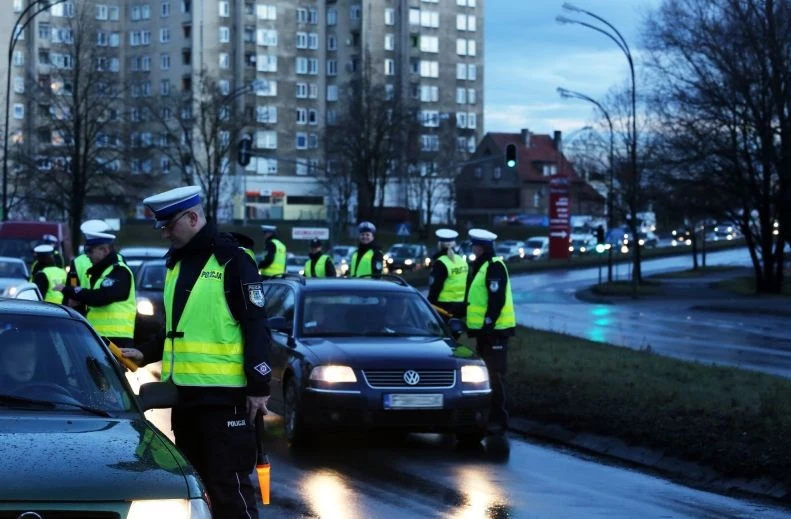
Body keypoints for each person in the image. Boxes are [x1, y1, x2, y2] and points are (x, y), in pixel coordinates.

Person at [122, 185, 272, 519]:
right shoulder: (176, 264)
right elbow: (178, 330)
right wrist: (143, 354)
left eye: (168, 225)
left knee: (228, 490)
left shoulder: (233, 260)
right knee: (194, 492)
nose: (164, 235)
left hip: (224, 400)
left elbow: (256, 325)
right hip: (186, 400)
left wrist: (259, 386)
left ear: (192, 217)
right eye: (160, 227)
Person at [465, 228, 515, 442]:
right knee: (487, 376)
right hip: (485, 333)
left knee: (495, 377)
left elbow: (496, 299)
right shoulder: (481, 266)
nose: (472, 249)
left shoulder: (493, 267)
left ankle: (498, 421)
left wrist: (488, 323)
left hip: (495, 332)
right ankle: (488, 418)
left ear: (481, 247)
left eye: (474, 245)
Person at [55, 228, 137, 350]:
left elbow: (100, 297)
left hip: (115, 338)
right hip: (101, 336)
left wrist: (69, 291)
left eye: (90, 251)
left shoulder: (119, 271)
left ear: (104, 250)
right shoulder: (101, 272)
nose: (87, 255)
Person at [64, 220, 112, 316]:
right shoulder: (118, 259)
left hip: (82, 309)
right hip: (108, 312)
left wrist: (74, 293)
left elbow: (73, 282)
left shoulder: (78, 261)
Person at [427, 229, 468, 320]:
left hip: (442, 307)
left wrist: (428, 304)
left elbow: (435, 286)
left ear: (439, 244)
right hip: (460, 306)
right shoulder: (462, 261)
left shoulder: (440, 263)